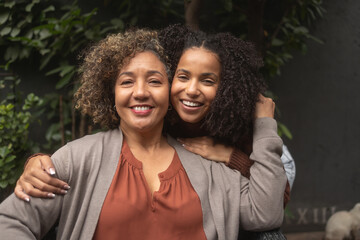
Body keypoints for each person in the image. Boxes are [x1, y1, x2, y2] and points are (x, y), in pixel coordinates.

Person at [0, 28, 286, 239]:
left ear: (169, 90)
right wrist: (37, 161)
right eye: (126, 82)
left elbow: (267, 212)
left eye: (154, 80)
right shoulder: (79, 159)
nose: (140, 92)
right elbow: (10, 221)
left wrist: (262, 125)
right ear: (110, 93)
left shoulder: (209, 161)